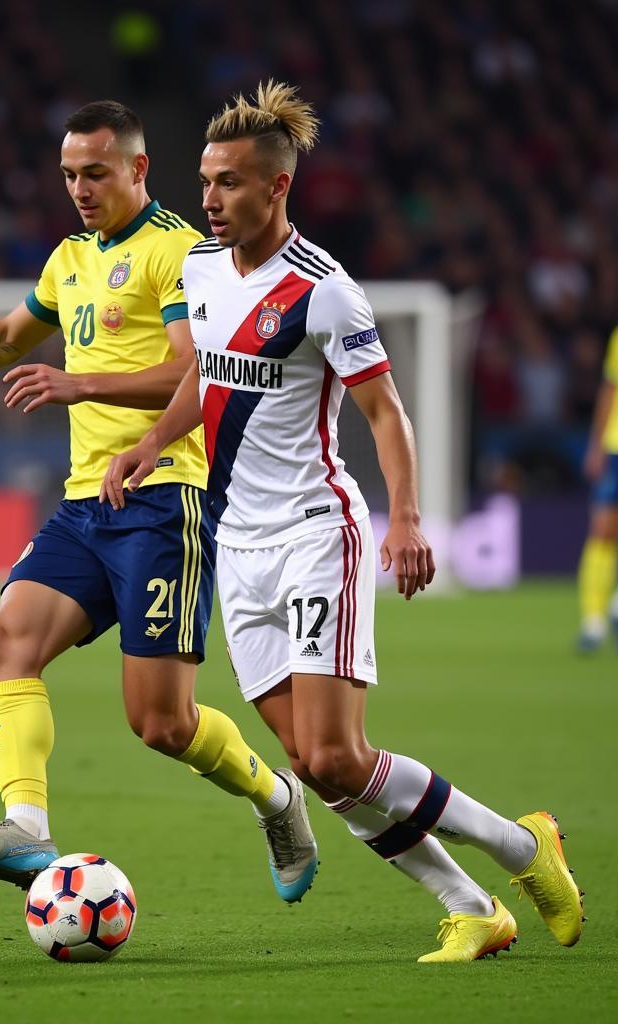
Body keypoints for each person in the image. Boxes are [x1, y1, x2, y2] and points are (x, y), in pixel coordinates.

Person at [101, 81, 585, 962]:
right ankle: (472, 905)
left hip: (317, 533)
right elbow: (202, 379)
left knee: (333, 754)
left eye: (229, 184)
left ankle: (524, 847)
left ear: (276, 188)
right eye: (205, 182)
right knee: (321, 768)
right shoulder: (202, 271)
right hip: (233, 544)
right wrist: (149, 444)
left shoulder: (326, 292)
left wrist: (406, 518)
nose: (209, 199)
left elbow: (386, 413)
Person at [0, 100, 318, 901]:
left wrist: (81, 384)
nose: (79, 187)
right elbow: (8, 337)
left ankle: (277, 799)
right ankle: (27, 830)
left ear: (138, 169)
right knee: (6, 640)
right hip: (84, 504)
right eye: (69, 173)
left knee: (162, 725)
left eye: (96, 172)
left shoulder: (179, 252)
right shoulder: (70, 255)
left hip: (164, 496)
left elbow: (196, 368)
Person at [576, 324, 618, 651]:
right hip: (615, 448)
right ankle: (593, 621)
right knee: (603, 530)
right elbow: (609, 389)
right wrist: (596, 444)